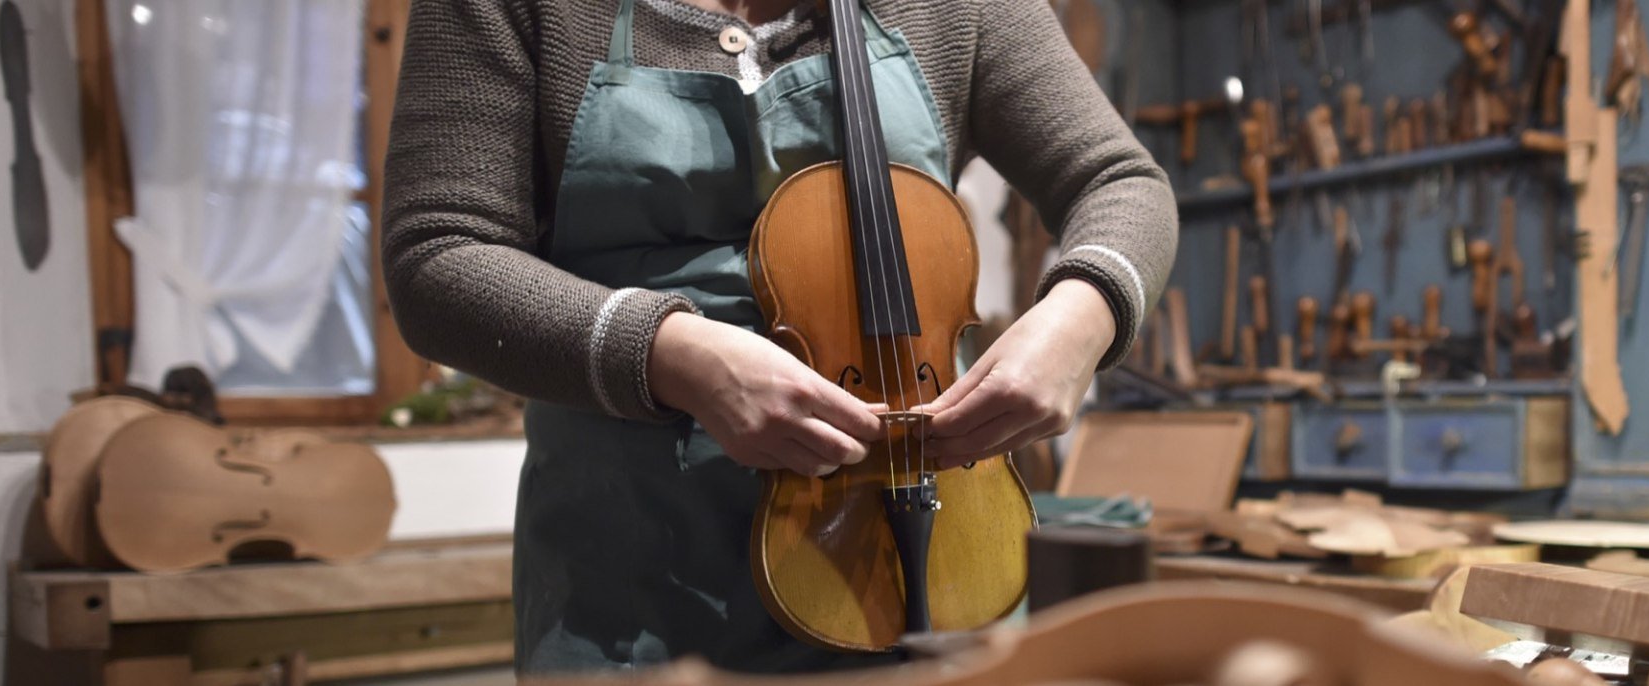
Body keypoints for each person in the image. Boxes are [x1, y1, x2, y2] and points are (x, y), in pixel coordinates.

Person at [382, 0, 1177, 675]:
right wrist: (673, 354)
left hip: (925, 538)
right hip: (630, 570)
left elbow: (1117, 181)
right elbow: (438, 257)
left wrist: (1083, 314)